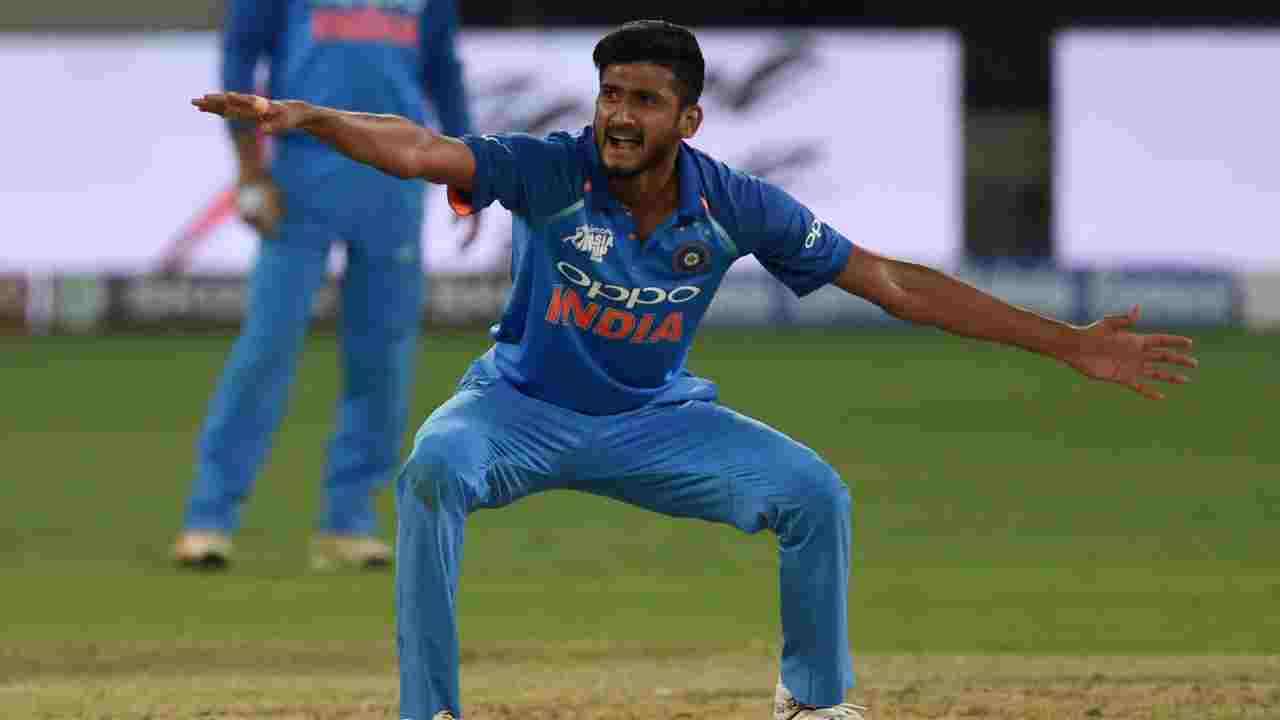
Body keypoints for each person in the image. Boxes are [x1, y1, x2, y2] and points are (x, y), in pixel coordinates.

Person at [192, 19, 1199, 720]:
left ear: (689, 119)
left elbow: (892, 282)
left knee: (811, 493)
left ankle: (812, 701)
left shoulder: (732, 205)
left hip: (653, 423)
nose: (618, 116)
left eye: (644, 100)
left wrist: (1068, 343)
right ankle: (432, 712)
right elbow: (421, 150)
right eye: (609, 95)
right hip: (516, 408)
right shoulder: (552, 168)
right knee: (431, 471)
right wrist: (316, 121)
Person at [173, 0, 477, 571]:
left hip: (395, 173)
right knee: (267, 346)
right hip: (302, 169)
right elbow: (241, 53)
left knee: (383, 356)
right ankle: (209, 517)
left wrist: (472, 171)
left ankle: (349, 523)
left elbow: (442, 70)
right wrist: (249, 170)